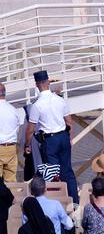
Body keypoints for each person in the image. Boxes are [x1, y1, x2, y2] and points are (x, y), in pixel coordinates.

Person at [24, 71, 79, 203]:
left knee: (53, 174)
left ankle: (58, 202)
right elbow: (69, 122)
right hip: (63, 137)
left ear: (37, 85)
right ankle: (74, 201)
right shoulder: (60, 100)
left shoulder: (37, 105)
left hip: (49, 141)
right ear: (48, 82)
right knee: (67, 171)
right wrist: (70, 138)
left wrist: (27, 145)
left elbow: (30, 129)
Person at [0, 83, 21, 182]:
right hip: (11, 147)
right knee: (11, 180)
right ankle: (13, 197)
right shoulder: (13, 109)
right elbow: (17, 128)